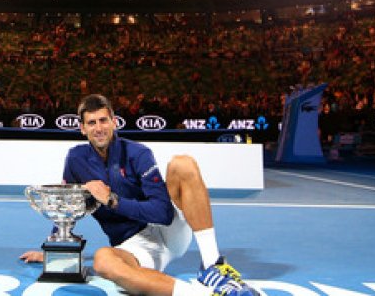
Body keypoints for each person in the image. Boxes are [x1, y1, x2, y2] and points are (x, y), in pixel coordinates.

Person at [20, 94, 258, 296]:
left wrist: (112, 200)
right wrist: (55, 250)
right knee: (103, 260)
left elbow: (163, 214)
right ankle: (198, 294)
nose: (99, 128)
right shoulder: (75, 159)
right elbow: (67, 208)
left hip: (168, 232)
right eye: (92, 123)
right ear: (82, 128)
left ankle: (211, 265)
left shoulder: (138, 153)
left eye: (103, 120)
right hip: (134, 247)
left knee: (182, 164)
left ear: (114, 122)